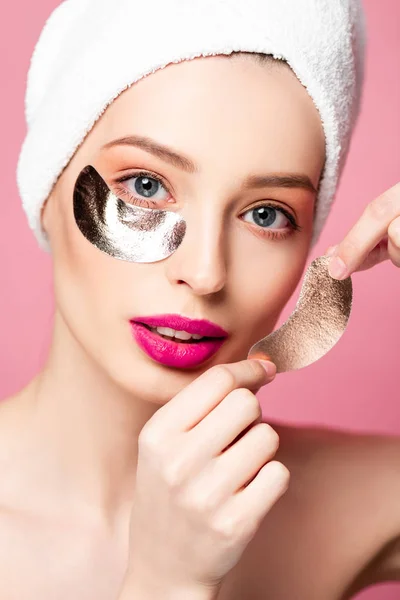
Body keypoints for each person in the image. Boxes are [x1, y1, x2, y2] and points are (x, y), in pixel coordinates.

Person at [2, 1, 400, 599]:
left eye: (266, 214)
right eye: (146, 185)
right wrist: (168, 583)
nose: (207, 272)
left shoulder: (355, 499)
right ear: (46, 184)